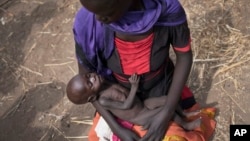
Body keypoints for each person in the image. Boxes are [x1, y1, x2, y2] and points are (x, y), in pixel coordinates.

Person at [68, 0, 216, 140]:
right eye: (92, 11)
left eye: (106, 12)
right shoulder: (88, 23)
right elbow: (87, 84)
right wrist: (117, 129)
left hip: (162, 91)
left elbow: (184, 56)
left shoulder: (165, 10)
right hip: (123, 110)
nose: (98, 19)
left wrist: (167, 112)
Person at [67, 73, 201, 131]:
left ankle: (184, 114)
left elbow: (123, 91)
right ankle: (185, 125)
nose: (93, 77)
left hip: (143, 104)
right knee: (165, 111)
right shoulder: (103, 100)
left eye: (88, 75)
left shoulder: (104, 83)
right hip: (140, 116)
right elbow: (126, 105)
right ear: (91, 98)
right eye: (90, 83)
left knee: (167, 100)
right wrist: (134, 87)